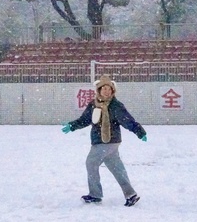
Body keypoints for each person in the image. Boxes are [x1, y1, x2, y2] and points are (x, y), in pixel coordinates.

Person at [62, 75, 146, 207]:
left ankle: (95, 195)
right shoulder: (93, 105)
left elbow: (127, 121)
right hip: (100, 140)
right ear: (99, 90)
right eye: (104, 89)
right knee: (117, 168)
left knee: (91, 163)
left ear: (113, 91)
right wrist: (72, 126)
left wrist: (139, 131)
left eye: (109, 89)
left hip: (109, 141)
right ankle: (131, 194)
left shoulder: (116, 106)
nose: (106, 91)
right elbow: (85, 120)